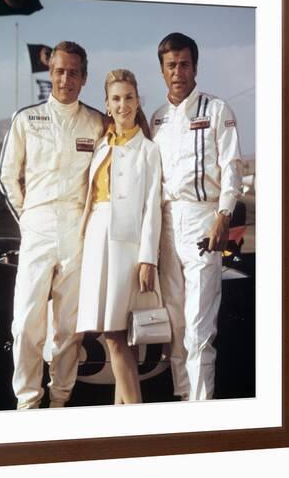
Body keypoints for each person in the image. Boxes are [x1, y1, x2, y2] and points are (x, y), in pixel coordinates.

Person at [0, 41, 104, 409]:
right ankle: (27, 403)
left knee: (67, 327)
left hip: (77, 229)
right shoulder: (26, 119)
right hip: (37, 224)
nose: (66, 79)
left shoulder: (97, 122)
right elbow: (7, 176)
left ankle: (60, 401)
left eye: (74, 72)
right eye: (59, 71)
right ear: (50, 73)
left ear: (84, 77)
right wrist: (26, 218)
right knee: (26, 321)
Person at [150, 32, 243, 401]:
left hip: (204, 221)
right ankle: (182, 402)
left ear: (195, 67)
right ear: (162, 70)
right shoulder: (156, 120)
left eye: (184, 64)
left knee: (199, 327)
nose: (178, 72)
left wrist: (224, 215)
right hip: (167, 224)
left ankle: (202, 412)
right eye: (171, 65)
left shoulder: (217, 110)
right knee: (175, 322)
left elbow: (232, 167)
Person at [76, 69, 162, 404]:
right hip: (97, 241)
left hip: (128, 248)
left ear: (138, 100)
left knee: (116, 335)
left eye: (128, 97)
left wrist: (147, 258)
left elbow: (152, 208)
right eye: (116, 99)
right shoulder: (101, 146)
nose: (123, 104)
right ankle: (121, 421)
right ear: (107, 105)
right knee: (116, 337)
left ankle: (137, 421)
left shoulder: (148, 151)